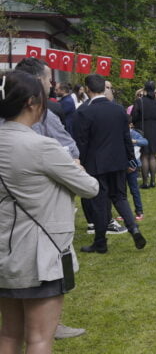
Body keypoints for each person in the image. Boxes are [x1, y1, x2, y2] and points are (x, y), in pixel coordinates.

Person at [0, 71, 99, 353]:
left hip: (5, 248)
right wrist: (76, 166)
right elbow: (90, 187)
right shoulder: (42, 146)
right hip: (40, 254)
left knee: (9, 334)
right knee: (40, 338)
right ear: (32, 102)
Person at [74, 74, 147, 254]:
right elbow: (126, 137)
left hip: (96, 164)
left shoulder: (84, 112)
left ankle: (100, 242)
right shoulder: (118, 110)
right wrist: (131, 159)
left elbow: (81, 142)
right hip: (118, 161)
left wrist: (80, 162)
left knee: (99, 202)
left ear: (88, 89)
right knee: (120, 197)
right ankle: (133, 229)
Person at [131, 81, 156, 189]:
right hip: (155, 130)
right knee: (153, 156)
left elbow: (134, 116)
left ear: (144, 89)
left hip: (143, 130)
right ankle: (153, 181)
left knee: (144, 155)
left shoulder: (140, 101)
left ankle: (145, 183)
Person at [127, 123, 147, 220]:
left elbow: (145, 142)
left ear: (130, 125)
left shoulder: (134, 134)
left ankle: (139, 211)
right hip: (122, 166)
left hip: (132, 166)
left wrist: (134, 141)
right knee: (121, 192)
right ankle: (125, 212)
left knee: (134, 189)